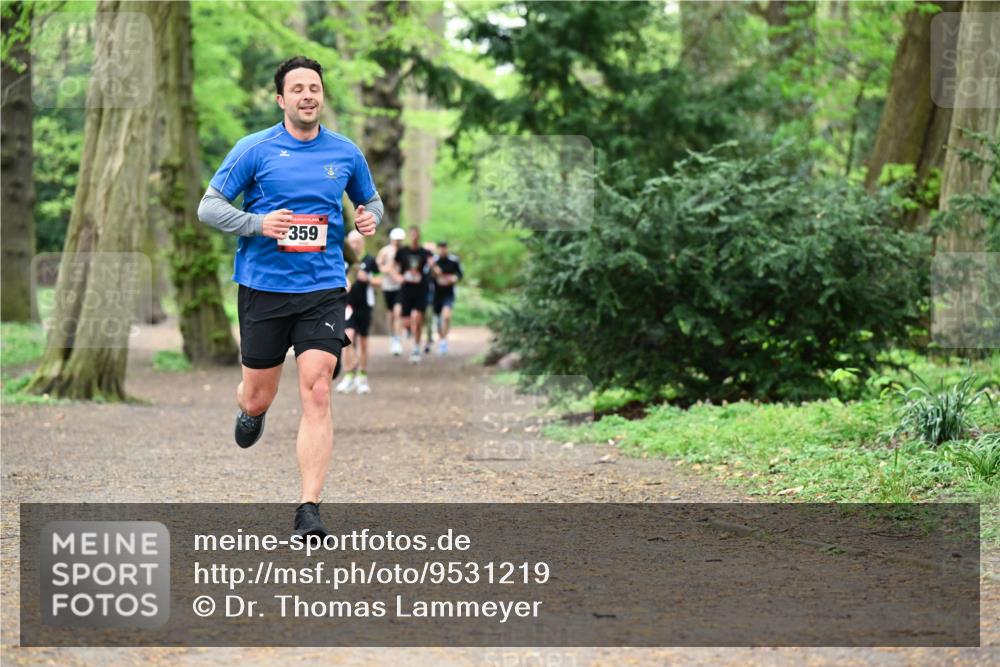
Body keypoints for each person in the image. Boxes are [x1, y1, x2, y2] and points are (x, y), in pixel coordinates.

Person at [197, 56, 382, 538]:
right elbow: (209, 206)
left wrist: (369, 218)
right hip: (263, 288)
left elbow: (371, 200)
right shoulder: (254, 149)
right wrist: (258, 224)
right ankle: (248, 408)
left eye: (314, 88)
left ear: (322, 97)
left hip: (322, 287)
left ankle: (309, 509)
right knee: (260, 395)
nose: (307, 95)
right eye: (297, 88)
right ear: (281, 99)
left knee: (319, 388)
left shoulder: (344, 152)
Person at [336, 230, 380, 394]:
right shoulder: (343, 259)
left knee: (363, 342)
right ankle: (348, 375)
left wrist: (367, 278)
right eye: (352, 242)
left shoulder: (370, 260)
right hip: (347, 306)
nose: (355, 245)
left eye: (358, 242)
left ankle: (361, 376)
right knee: (347, 339)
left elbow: (380, 280)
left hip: (365, 305)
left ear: (363, 243)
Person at [394, 226, 433, 364]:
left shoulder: (425, 252)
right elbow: (394, 266)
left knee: (418, 318)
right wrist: (398, 277)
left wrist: (430, 268)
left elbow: (431, 268)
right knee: (406, 321)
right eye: (412, 234)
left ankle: (416, 348)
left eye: (416, 234)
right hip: (406, 289)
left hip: (420, 289)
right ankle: (409, 330)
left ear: (419, 236)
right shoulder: (402, 252)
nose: (414, 236)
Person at [376, 227, 405, 356]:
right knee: (391, 313)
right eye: (396, 240)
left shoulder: (404, 252)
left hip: (400, 286)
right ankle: (392, 336)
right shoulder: (385, 251)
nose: (397, 242)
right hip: (388, 286)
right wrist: (387, 270)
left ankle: (397, 339)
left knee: (398, 312)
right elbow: (378, 266)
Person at [431, 241, 463, 356]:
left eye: (444, 248)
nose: (443, 250)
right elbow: (427, 276)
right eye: (440, 248)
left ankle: (444, 342)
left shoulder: (453, 260)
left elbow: (460, 274)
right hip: (436, 295)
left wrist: (454, 278)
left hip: (448, 294)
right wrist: (434, 271)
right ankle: (441, 339)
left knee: (446, 316)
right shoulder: (433, 261)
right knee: (439, 320)